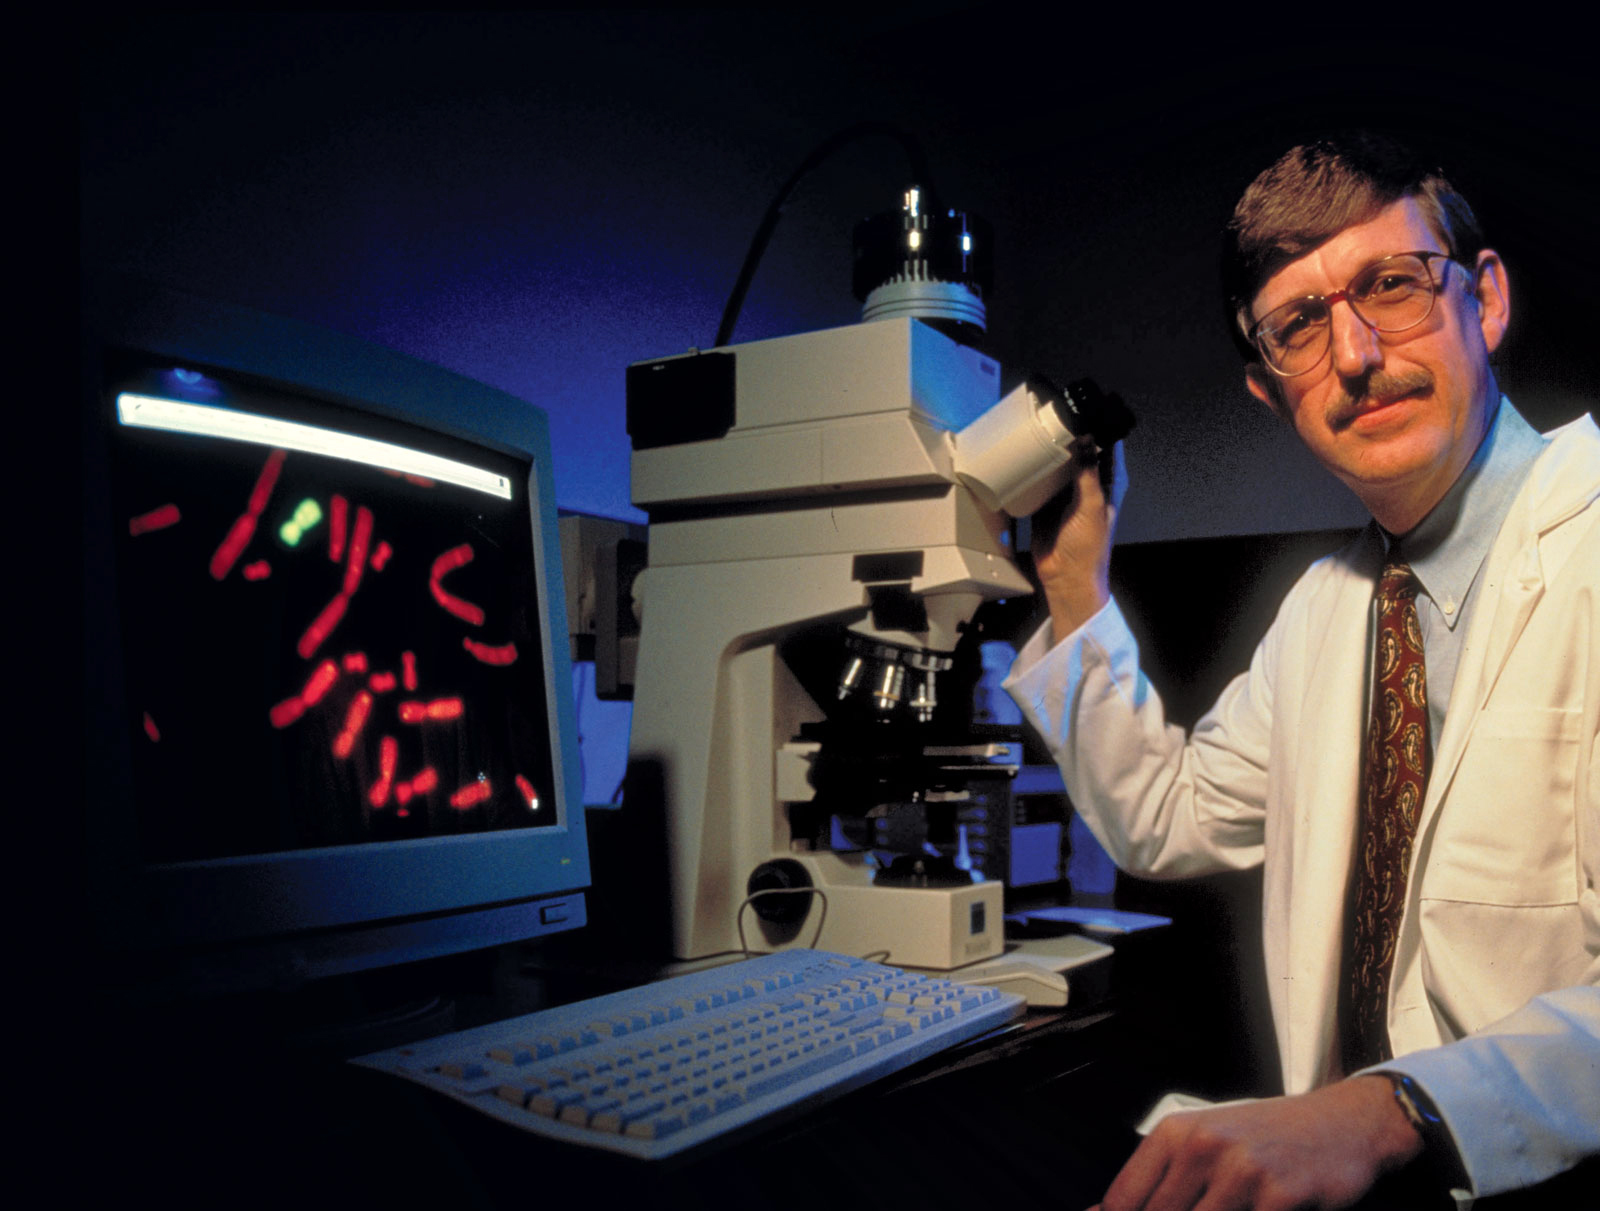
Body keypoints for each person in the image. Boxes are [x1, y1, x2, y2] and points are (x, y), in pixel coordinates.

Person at [1005, 131, 1599, 1209]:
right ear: (1268, 389)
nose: (1358, 354)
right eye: (1299, 326)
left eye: (1392, 284)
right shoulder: (1323, 611)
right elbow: (1163, 816)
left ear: (1488, 299)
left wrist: (1398, 1105)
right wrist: (1075, 585)